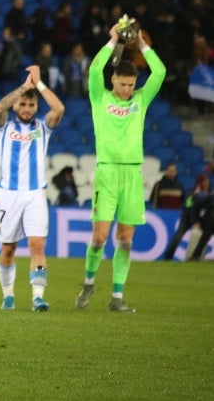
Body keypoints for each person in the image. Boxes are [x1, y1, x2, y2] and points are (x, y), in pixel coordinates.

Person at [76, 23, 165, 313]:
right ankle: (89, 282)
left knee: (125, 240)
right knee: (100, 238)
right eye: (122, 84)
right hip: (107, 173)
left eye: (130, 84)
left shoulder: (140, 99)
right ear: (113, 80)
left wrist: (141, 44)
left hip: (132, 175)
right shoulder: (99, 97)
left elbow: (160, 72)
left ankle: (116, 297)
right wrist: (112, 39)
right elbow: (93, 70)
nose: (127, 89)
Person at [0, 65, 65, 311]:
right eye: (22, 105)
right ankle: (8, 295)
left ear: (36, 108)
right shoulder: (4, 127)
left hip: (35, 194)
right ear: (16, 106)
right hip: (9, 195)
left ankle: (37, 297)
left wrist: (39, 84)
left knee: (37, 245)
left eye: (31, 105)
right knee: (8, 249)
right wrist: (25, 87)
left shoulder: (43, 127)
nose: (26, 109)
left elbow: (59, 109)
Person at [162, 174, 211, 261]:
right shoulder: (195, 193)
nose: (207, 183)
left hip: (200, 218)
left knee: (203, 238)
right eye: (205, 182)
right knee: (177, 237)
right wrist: (195, 221)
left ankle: (197, 257)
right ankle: (167, 258)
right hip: (187, 218)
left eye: (207, 182)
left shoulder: (208, 193)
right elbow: (190, 208)